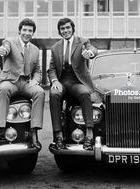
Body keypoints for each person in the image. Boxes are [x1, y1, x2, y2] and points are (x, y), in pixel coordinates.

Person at [47, 18, 100, 150]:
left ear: (73, 28)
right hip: (62, 81)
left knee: (84, 93)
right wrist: (54, 81)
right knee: (54, 94)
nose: (65, 31)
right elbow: (51, 69)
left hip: (77, 81)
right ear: (59, 31)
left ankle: (89, 135)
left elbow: (93, 49)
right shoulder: (55, 47)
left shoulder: (83, 42)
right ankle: (58, 136)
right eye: (62, 29)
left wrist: (90, 53)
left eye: (67, 28)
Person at [0, 18, 45, 150]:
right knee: (3, 90)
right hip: (11, 81)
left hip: (26, 82)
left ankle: (34, 131)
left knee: (40, 92)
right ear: (19, 31)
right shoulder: (10, 42)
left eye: (30, 31)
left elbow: (38, 70)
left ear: (33, 33)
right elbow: (4, 48)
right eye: (25, 30)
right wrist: (2, 50)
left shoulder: (34, 49)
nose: (27, 33)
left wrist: (36, 80)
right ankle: (0, 128)